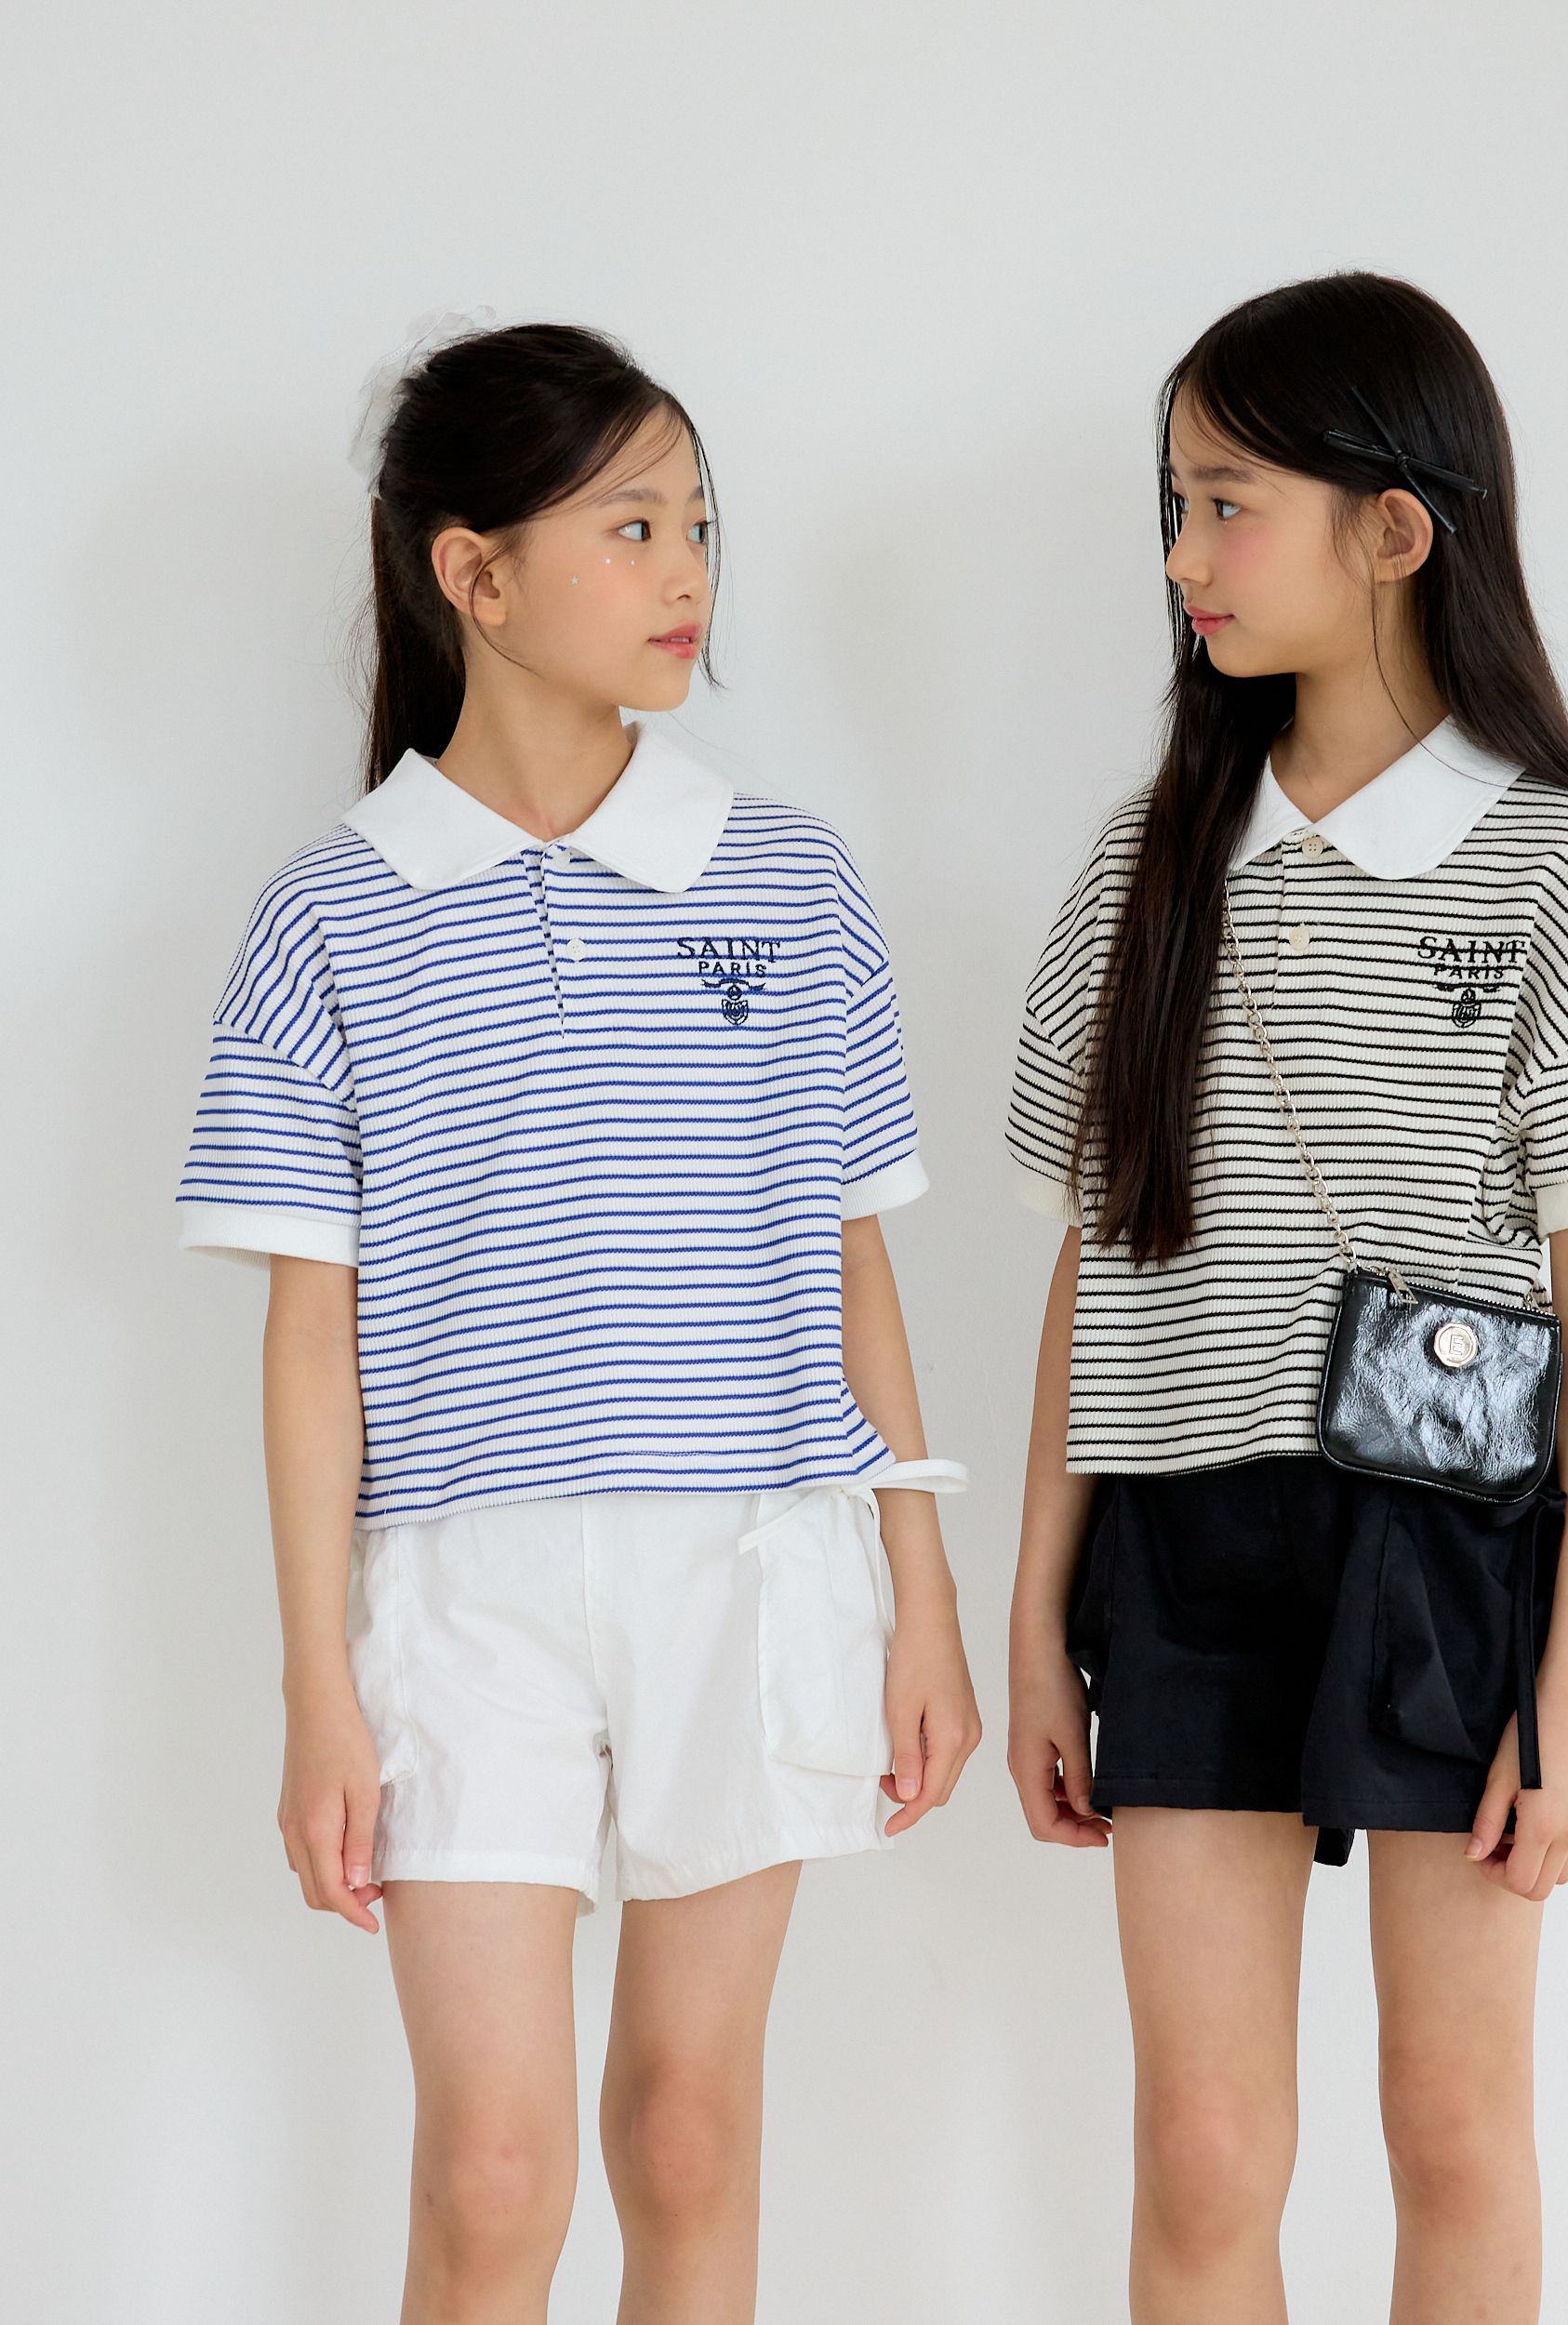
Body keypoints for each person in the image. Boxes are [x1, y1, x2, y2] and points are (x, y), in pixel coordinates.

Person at [177, 311, 980, 2324]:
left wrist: (925, 1591)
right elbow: (308, 1337)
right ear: (476, 572)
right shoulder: (327, 913)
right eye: (633, 527)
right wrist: (315, 1682)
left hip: (756, 1556)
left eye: (698, 522)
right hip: (464, 1588)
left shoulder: (791, 880)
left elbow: (852, 1263)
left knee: (690, 2132)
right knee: (491, 2174)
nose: (688, 570)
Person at [1003, 271, 1568, 2324]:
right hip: (1182, 1539)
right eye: (1173, 505)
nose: (1182, 558)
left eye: (1226, 505)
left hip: (1454, 1555)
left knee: (1453, 2124)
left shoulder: (1559, 870)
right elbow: (1092, 1256)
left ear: (1395, 529)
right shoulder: (1146, 864)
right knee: (1203, 2143)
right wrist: (1036, 1604)